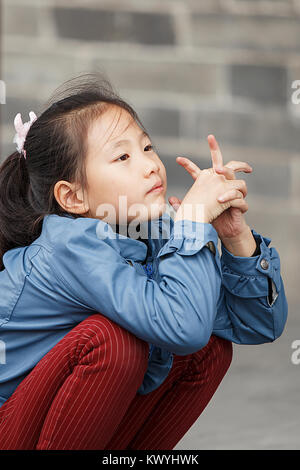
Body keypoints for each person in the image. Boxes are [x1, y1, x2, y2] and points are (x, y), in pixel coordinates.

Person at [0, 73, 288, 450]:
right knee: (112, 341)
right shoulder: (70, 246)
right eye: (123, 156)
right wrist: (190, 228)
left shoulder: (154, 231)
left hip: (55, 422)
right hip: (11, 422)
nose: (150, 165)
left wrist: (234, 238)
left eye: (148, 147)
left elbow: (257, 326)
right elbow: (182, 327)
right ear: (73, 198)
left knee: (209, 350)